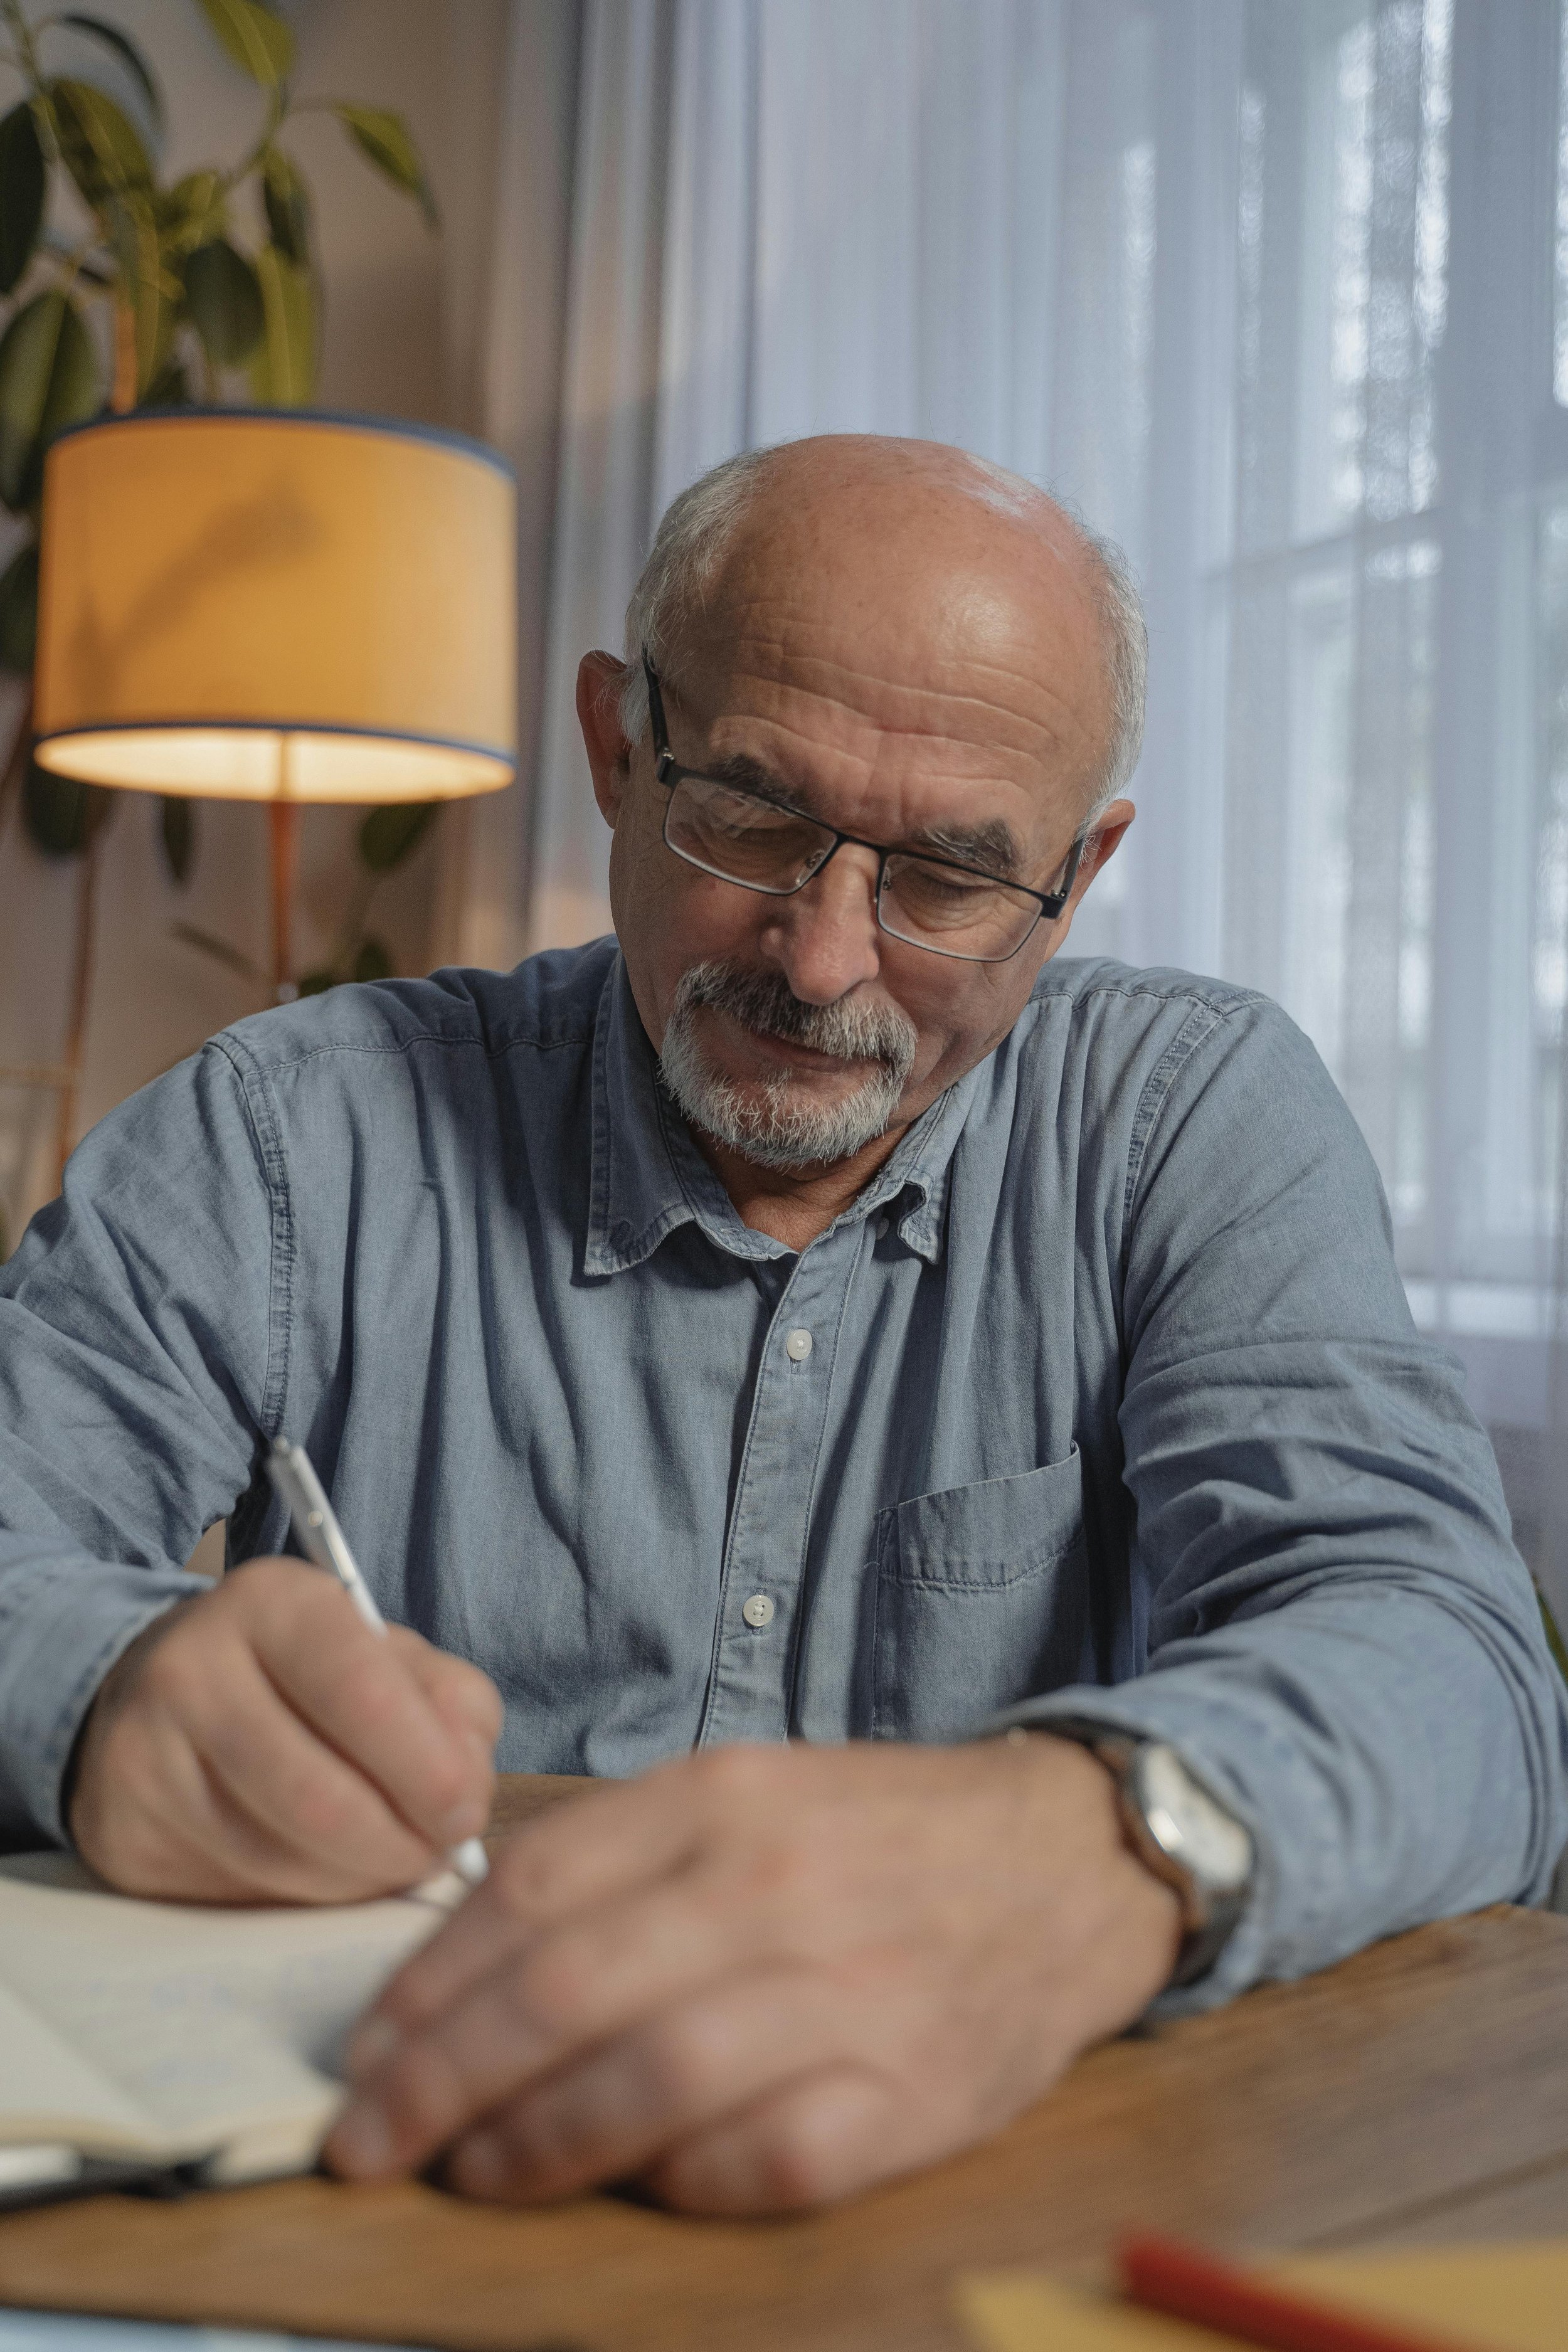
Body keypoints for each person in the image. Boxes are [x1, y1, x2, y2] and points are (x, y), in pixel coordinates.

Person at [0, 436, 1562, 2218]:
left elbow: (1455, 1664)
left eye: (951, 880)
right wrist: (101, 1689)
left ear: (1078, 871)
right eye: (746, 814)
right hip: (389, 2192)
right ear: (612, 746)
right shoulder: (293, 1132)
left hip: (989, 2204)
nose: (821, 962)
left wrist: (1092, 1844)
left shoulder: (1188, 1121)